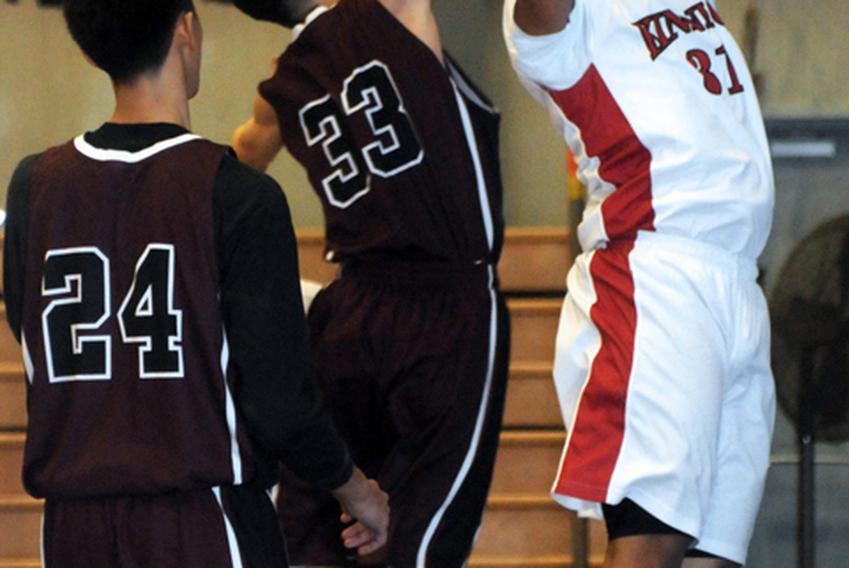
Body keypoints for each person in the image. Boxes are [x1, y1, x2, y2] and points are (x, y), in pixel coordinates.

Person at [3, 1, 388, 566]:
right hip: (203, 522)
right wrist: (359, 492)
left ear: (87, 50)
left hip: (70, 530)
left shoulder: (32, 186)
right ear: (187, 29)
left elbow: (27, 329)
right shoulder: (237, 194)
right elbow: (281, 406)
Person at [230, 0, 510, 565]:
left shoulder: (283, 81)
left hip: (351, 309)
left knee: (316, 531)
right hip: (444, 303)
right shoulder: (390, 14)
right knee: (425, 534)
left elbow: (238, 162)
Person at [503, 1, 776, 567]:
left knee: (715, 554)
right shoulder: (568, 24)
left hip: (737, 278)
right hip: (659, 274)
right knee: (649, 542)